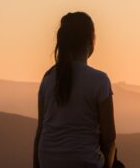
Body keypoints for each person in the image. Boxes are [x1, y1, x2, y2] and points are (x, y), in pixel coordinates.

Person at [34, 12, 117, 168]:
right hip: (85, 163)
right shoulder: (100, 81)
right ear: (90, 41)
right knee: (114, 155)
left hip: (48, 162)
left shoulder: (48, 78)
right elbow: (109, 138)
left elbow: (40, 133)